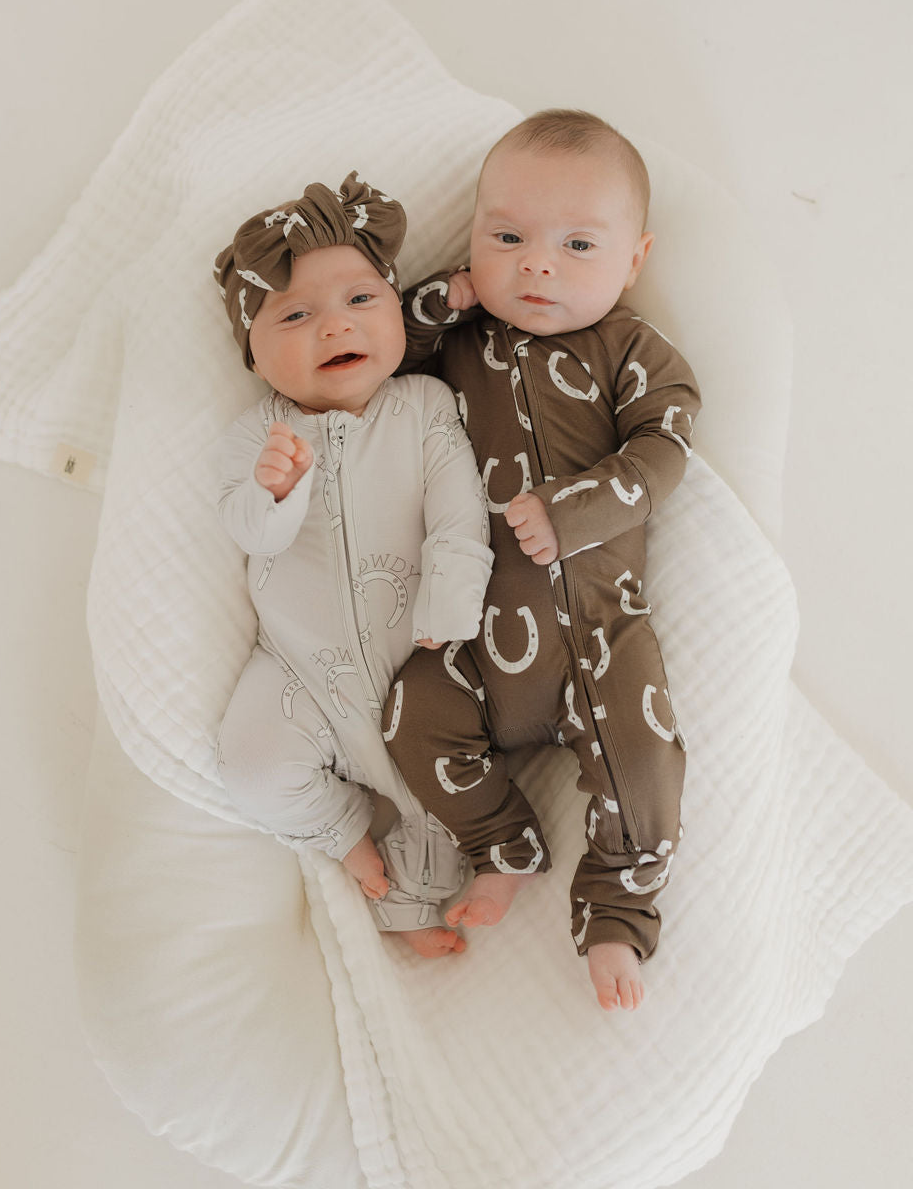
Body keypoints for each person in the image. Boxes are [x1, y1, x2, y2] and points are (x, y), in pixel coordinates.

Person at [383, 110, 701, 1007]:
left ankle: (617, 908)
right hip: (469, 634)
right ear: (474, 238)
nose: (536, 264)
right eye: (508, 236)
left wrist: (576, 509)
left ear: (633, 260)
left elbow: (663, 450)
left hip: (600, 634)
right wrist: (433, 306)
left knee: (644, 763)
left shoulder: (632, 351)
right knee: (411, 715)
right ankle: (504, 843)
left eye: (576, 245)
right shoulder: (454, 348)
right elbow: (375, 362)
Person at [211, 172, 494, 958]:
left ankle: (414, 902)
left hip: (421, 655)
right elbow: (249, 532)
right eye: (295, 315)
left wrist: (452, 604)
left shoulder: (424, 409)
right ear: (255, 354)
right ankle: (342, 832)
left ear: (398, 313)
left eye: (360, 302)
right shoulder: (258, 434)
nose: (333, 326)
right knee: (251, 765)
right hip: (298, 666)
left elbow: (459, 513)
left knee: (443, 787)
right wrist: (277, 490)